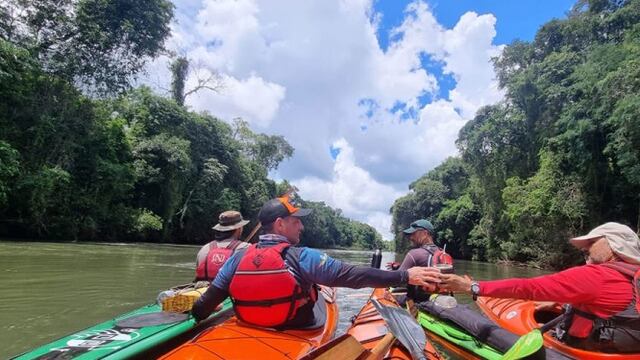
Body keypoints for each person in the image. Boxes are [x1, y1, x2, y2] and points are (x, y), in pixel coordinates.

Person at [191, 195, 440, 328]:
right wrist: (405, 276)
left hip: (250, 325)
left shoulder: (237, 258)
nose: (301, 224)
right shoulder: (303, 256)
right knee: (318, 290)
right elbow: (355, 276)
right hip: (299, 328)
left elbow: (203, 307)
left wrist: (199, 314)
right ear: (280, 224)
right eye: (296, 220)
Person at [437, 222, 640, 353]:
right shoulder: (633, 274)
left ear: (613, 244)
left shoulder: (597, 275)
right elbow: (616, 305)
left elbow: (529, 287)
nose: (586, 248)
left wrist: (472, 286)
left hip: (583, 348)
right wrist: (561, 301)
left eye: (592, 242)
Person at [387, 219, 453, 301]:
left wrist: (392, 274)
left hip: (419, 301)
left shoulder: (414, 254)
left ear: (425, 233)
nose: (411, 237)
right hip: (440, 299)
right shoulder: (443, 253)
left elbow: (395, 282)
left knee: (385, 296)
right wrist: (400, 267)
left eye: (414, 234)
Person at [194, 210, 250, 282]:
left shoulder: (205, 248)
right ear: (238, 229)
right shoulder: (246, 248)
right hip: (227, 291)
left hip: (202, 291)